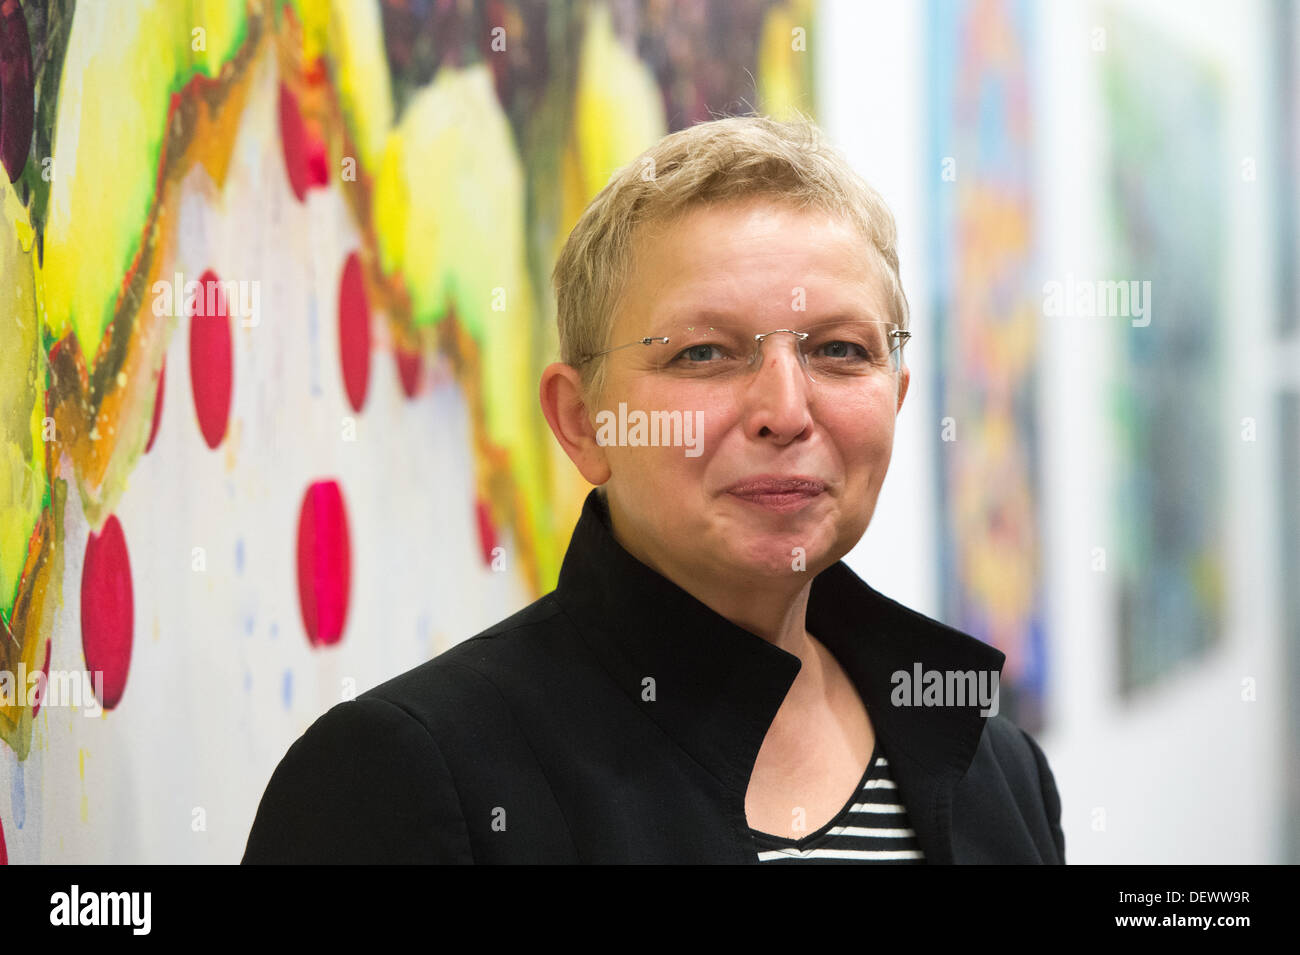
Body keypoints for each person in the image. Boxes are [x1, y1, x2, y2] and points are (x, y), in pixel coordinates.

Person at [242, 114, 1065, 864]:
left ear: (897, 394)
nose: (785, 410)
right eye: (703, 353)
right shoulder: (406, 782)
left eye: (840, 350)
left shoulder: (994, 759)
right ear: (582, 422)